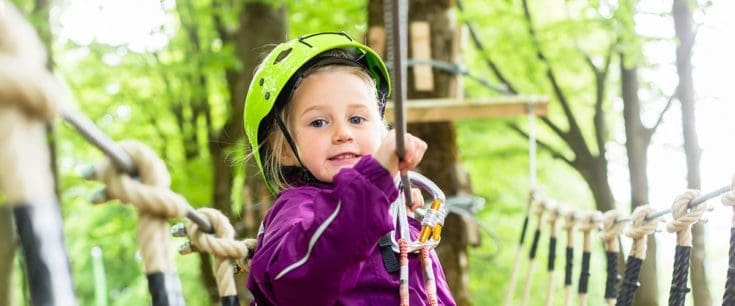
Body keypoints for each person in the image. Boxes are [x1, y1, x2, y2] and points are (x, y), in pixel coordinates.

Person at [243, 32, 455, 306]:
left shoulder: (396, 215)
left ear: (381, 131)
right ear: (284, 149)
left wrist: (394, 209)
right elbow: (303, 278)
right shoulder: (297, 212)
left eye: (357, 118)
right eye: (319, 122)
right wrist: (374, 184)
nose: (343, 133)